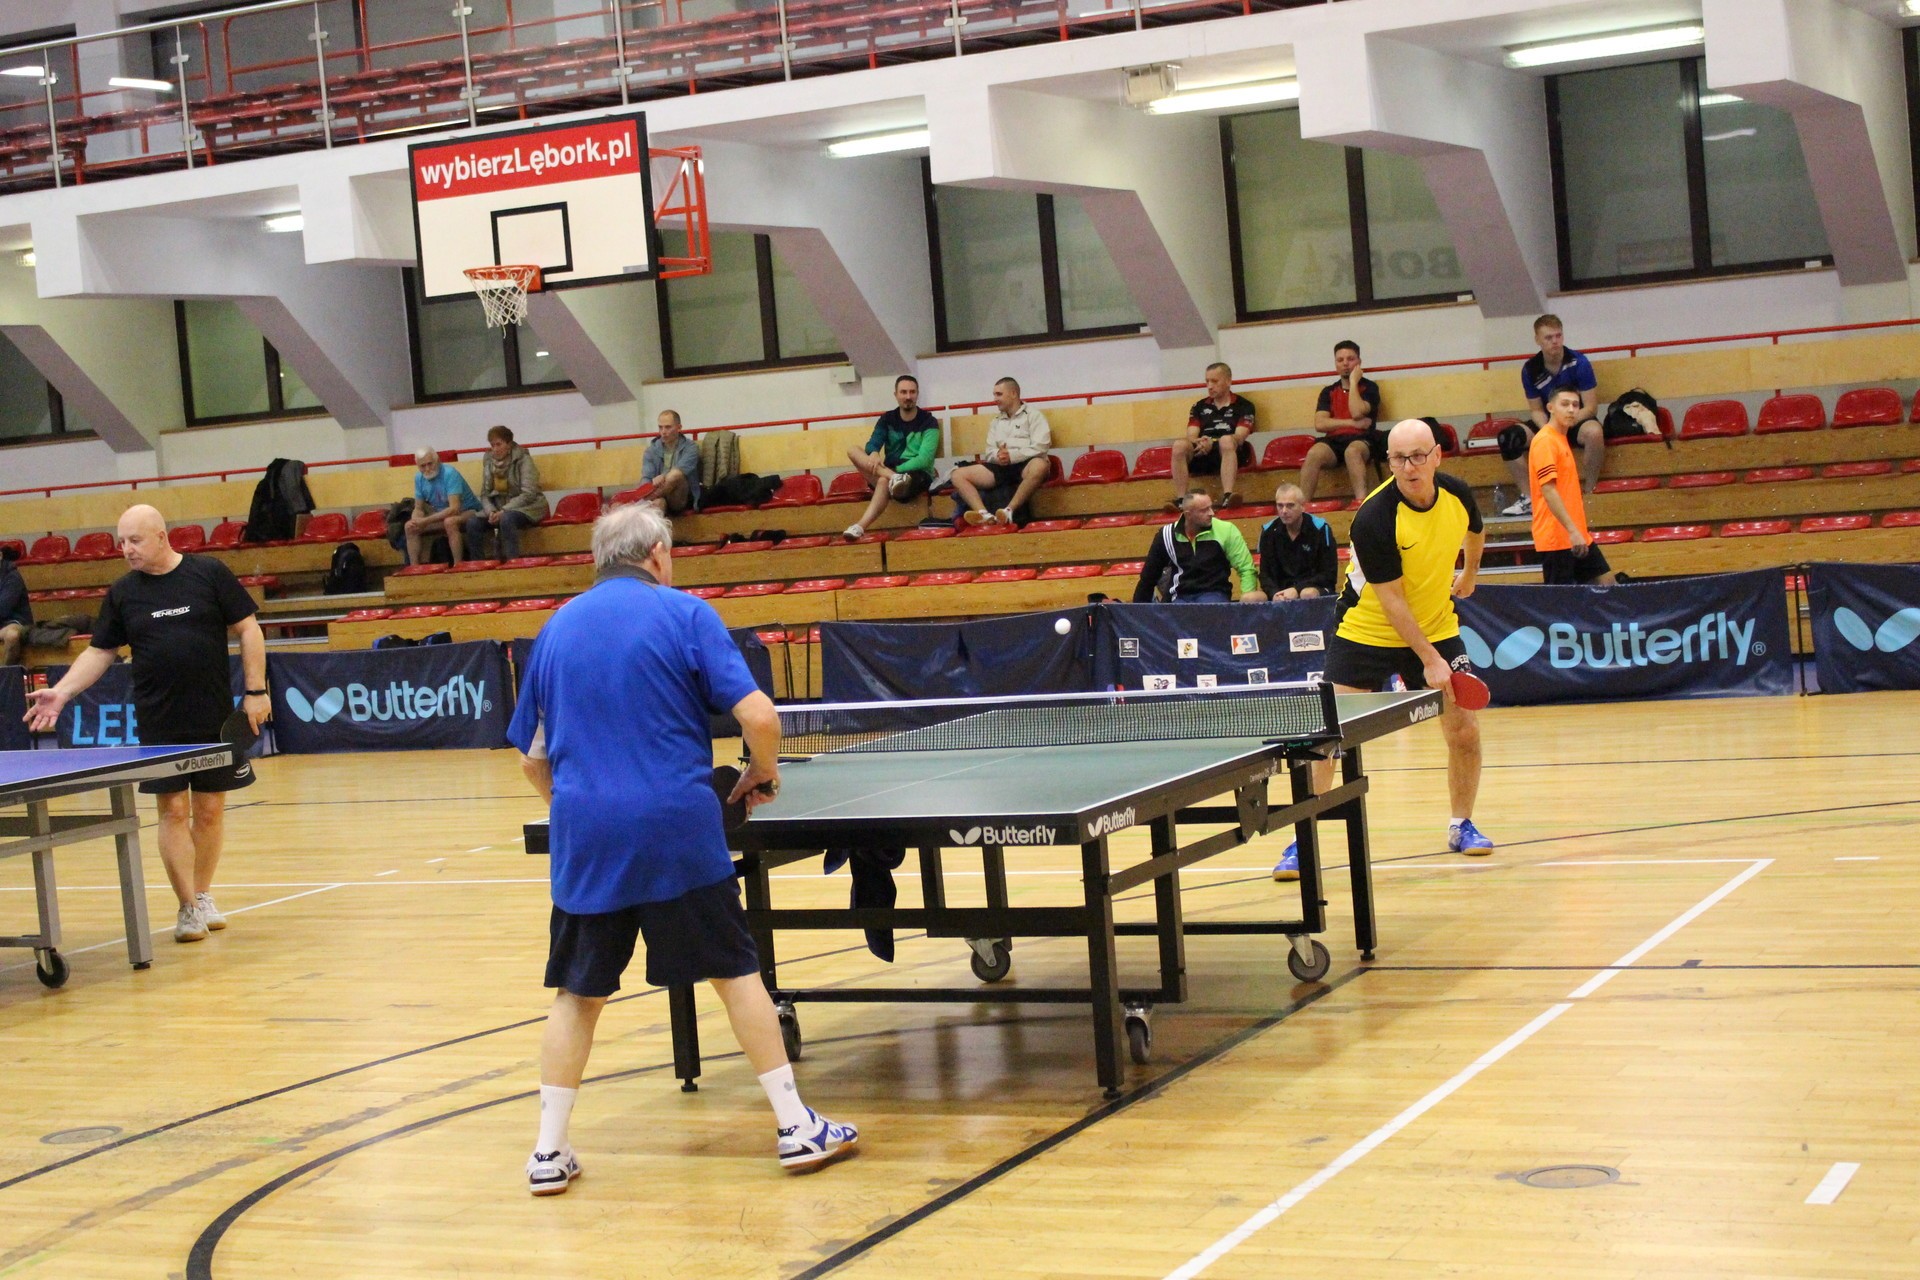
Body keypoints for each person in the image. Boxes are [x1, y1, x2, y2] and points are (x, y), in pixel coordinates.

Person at [507, 502, 859, 1192]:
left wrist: (580, 813)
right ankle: (796, 1127)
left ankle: (548, 1153)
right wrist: (762, 771)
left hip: (587, 838)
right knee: (734, 973)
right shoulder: (684, 613)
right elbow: (759, 715)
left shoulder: (554, 631)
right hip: (676, 830)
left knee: (576, 995)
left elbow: (531, 759)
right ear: (658, 556)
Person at [23, 505, 269, 941]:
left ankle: (202, 893)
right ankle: (187, 907)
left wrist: (255, 691)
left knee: (209, 811)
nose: (126, 550)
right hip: (159, 721)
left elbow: (249, 630)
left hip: (213, 717)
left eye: (134, 540)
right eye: (122, 542)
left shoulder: (209, 574)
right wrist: (61, 692)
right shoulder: (123, 593)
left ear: (160, 536)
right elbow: (101, 651)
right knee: (172, 810)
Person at [1271, 420, 1491, 882]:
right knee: (1325, 738)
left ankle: (1461, 824)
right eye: (1398, 459)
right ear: (1388, 462)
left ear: (1436, 456)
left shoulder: (1456, 494)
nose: (1409, 467)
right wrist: (1430, 660)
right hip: (1367, 631)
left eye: (1418, 456)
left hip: (1436, 624)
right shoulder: (1374, 517)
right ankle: (1302, 840)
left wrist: (1470, 573)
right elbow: (1392, 602)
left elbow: (1475, 529)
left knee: (1464, 730)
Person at [1502, 314, 1603, 516]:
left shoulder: (1579, 362)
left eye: (1558, 336)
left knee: (1594, 433)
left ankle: (1589, 491)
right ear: (1537, 340)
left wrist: (1566, 422)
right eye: (1548, 337)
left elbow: (1591, 407)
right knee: (1508, 438)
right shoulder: (1530, 369)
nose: (1555, 341)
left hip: (1576, 420)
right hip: (1549, 422)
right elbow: (1536, 410)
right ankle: (1530, 498)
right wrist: (1549, 430)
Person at [1531, 388, 1621, 586]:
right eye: (1565, 404)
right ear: (1550, 408)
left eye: (1575, 405)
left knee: (1608, 586)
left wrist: (1577, 532)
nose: (1571, 409)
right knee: (1561, 600)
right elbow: (1548, 490)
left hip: (1577, 535)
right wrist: (1572, 531)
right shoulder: (1545, 441)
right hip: (1557, 537)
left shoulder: (1560, 439)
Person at [843, 374, 939, 540]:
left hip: (917, 474)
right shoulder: (887, 419)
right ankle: (893, 478)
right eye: (903, 392)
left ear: (917, 394)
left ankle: (860, 526)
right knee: (853, 450)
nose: (908, 396)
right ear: (895, 394)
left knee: (883, 481)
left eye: (912, 392)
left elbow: (924, 460)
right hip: (889, 473)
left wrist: (895, 471)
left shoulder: (929, 421)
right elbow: (873, 443)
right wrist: (874, 453)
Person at [1131, 488, 1265, 604]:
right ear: (1188, 515)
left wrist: (1246, 602)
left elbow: (1246, 569)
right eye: (1204, 510)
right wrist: (1136, 611)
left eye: (1211, 507)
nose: (1211, 513)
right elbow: (1148, 577)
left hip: (1214, 594)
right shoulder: (1166, 535)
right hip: (1178, 597)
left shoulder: (1226, 530)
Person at [951, 377, 1050, 527]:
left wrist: (1012, 456)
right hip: (1001, 466)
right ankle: (983, 514)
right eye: (994, 394)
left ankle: (1009, 511)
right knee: (957, 475)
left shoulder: (1034, 416)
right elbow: (989, 452)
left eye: (999, 394)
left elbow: (1041, 446)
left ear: (1013, 393)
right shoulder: (995, 422)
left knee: (1040, 466)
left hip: (1026, 464)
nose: (995, 399)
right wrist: (998, 456)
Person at [1300, 340, 1382, 508]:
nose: (1345, 363)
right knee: (1314, 453)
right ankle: (1302, 505)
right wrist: (1352, 423)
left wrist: (1353, 382)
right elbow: (1320, 424)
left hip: (1362, 439)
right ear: (1335, 364)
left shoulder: (1370, 388)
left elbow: (1357, 411)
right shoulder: (1328, 391)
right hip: (1334, 441)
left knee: (1352, 452)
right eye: (1340, 360)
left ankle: (1361, 502)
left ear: (1359, 362)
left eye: (1350, 359)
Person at [1170, 362, 1256, 509]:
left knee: (1227, 440)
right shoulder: (1199, 407)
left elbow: (1239, 437)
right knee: (1179, 445)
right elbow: (1191, 435)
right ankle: (1181, 500)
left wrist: (1213, 442)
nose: (1210, 386)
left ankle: (1228, 495)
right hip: (1203, 451)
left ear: (1228, 381)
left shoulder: (1244, 406)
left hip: (1231, 452)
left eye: (1215, 381)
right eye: (1207, 381)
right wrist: (1201, 442)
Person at [464, 425, 549, 561]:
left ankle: (512, 562)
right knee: (472, 523)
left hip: (526, 508)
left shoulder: (524, 460)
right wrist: (491, 511)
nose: (495, 449)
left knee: (507, 519)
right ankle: (478, 565)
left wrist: (504, 510)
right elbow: (485, 494)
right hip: (497, 509)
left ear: (509, 444)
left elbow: (529, 494)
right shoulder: (488, 462)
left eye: (499, 444)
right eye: (492, 445)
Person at [1256, 483, 1338, 600]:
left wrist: (1297, 589)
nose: (1284, 511)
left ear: (1302, 506)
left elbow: (1329, 574)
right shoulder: (1268, 531)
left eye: (1290, 506)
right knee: (1250, 598)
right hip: (1280, 591)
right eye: (1280, 506)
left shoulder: (1320, 528)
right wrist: (1274, 594)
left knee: (1307, 593)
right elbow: (1265, 574)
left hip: (1314, 588)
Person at [406, 448, 478, 565]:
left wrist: (425, 521)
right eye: (423, 466)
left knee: (450, 522)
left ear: (437, 461)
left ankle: (458, 565)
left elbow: (454, 509)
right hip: (441, 514)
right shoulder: (419, 478)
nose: (427, 469)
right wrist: (416, 521)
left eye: (430, 464)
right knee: (409, 527)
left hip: (468, 511)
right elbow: (418, 508)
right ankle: (415, 568)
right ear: (418, 466)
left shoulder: (449, 473)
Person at [640, 411, 702, 515]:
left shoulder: (691, 448)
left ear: (679, 427)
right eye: (660, 427)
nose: (663, 432)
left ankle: (642, 501)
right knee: (657, 504)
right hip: (660, 495)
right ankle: (645, 505)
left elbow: (679, 472)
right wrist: (649, 486)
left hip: (680, 497)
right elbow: (646, 478)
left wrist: (663, 476)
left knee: (675, 476)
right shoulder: (650, 451)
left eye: (668, 427)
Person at [0, 545, 29, 666]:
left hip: (15, 622)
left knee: (12, 636)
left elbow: (3, 608)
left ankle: (5, 673)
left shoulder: (12, 577)